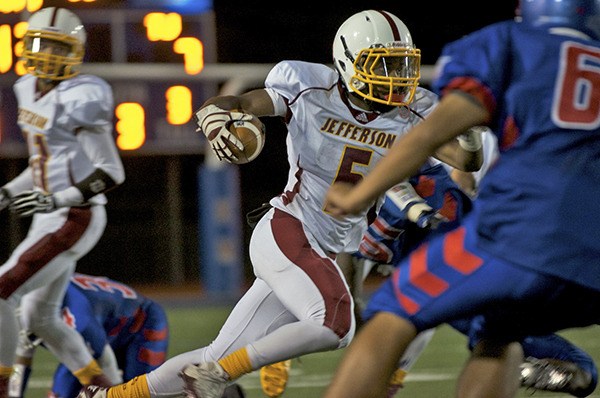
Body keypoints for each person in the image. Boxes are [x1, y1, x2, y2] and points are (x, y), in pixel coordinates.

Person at [77, 9, 483, 398]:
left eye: (401, 66)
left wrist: (467, 123)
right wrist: (218, 114)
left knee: (216, 353)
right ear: (348, 61)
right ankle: (219, 375)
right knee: (336, 323)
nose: (396, 78)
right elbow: (245, 104)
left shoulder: (415, 111)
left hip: (328, 245)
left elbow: (467, 159)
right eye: (383, 65)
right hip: (290, 229)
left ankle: (112, 396)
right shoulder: (310, 86)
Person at [323, 0, 600, 397]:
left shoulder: (508, 41)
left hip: (527, 231)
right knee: (500, 331)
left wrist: (358, 195)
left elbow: (428, 135)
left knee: (389, 315)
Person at [0, 6, 126, 397]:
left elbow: (111, 173)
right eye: (39, 44)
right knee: (40, 317)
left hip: (77, 214)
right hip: (50, 213)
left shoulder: (84, 95)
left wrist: (56, 199)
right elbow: (44, 164)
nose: (47, 55)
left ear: (76, 53)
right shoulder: (25, 88)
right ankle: (106, 388)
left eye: (57, 47)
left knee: (2, 289)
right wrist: (9, 192)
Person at [8, 272, 169, 398]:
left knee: (137, 392)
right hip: (98, 332)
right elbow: (21, 359)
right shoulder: (24, 308)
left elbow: (105, 364)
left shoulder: (76, 317)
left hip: (140, 323)